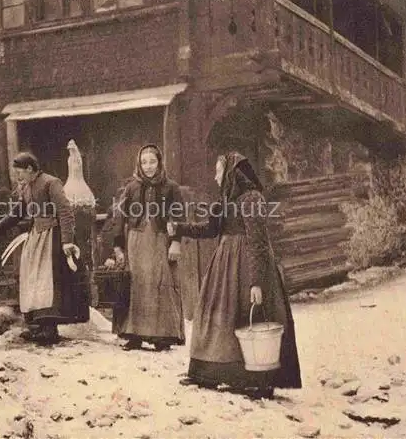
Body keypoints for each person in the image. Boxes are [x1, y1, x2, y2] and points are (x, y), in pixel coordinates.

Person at [176, 151, 302, 399]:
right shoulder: (224, 200)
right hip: (224, 265)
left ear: (231, 174)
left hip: (247, 266)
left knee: (248, 319)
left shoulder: (252, 198)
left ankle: (257, 380)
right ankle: (211, 372)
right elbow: (210, 230)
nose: (215, 177)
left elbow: (258, 242)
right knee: (216, 317)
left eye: (218, 171)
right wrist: (180, 228)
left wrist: (256, 282)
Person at [0, 152, 89, 345]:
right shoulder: (27, 188)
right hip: (36, 236)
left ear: (30, 168)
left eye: (19, 172)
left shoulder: (51, 183)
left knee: (48, 282)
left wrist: (67, 241)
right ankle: (39, 326)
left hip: (52, 238)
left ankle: (50, 329)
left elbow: (65, 212)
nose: (17, 177)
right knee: (34, 281)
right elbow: (17, 213)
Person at [110, 144, 185, 351]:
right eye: (144, 162)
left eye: (152, 161)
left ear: (159, 162)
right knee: (137, 286)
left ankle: (162, 337)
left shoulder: (171, 187)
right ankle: (134, 335)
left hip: (160, 241)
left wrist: (176, 242)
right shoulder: (131, 187)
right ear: (139, 164)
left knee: (160, 284)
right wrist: (118, 246)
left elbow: (179, 216)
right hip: (136, 242)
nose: (148, 166)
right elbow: (120, 217)